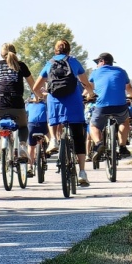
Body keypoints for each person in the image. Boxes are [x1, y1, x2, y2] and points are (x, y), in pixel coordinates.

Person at [32, 39, 94, 187]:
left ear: (55, 50)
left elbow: (35, 87)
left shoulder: (49, 63)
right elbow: (85, 82)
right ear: (69, 50)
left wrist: (41, 96)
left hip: (55, 100)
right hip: (73, 101)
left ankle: (53, 139)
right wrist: (90, 93)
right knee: (78, 136)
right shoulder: (74, 62)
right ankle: (82, 172)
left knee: (52, 119)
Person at [0, 43, 36, 162]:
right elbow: (33, 85)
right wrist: (39, 97)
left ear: (1, 54)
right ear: (15, 52)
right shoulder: (21, 65)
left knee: (1, 125)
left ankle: (2, 149)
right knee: (23, 126)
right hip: (17, 103)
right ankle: (22, 146)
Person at [88, 52, 132, 163]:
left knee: (93, 125)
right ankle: (123, 146)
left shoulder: (95, 73)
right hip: (120, 106)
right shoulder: (121, 71)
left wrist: (86, 97)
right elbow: (128, 88)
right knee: (124, 122)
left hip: (102, 106)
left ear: (102, 61)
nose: (97, 65)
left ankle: (98, 144)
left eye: (97, 62)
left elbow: (89, 89)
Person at [25, 93, 49, 177]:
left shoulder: (28, 105)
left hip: (31, 126)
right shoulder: (45, 104)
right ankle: (49, 147)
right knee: (49, 135)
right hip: (43, 126)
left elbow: (25, 116)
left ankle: (29, 166)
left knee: (31, 147)